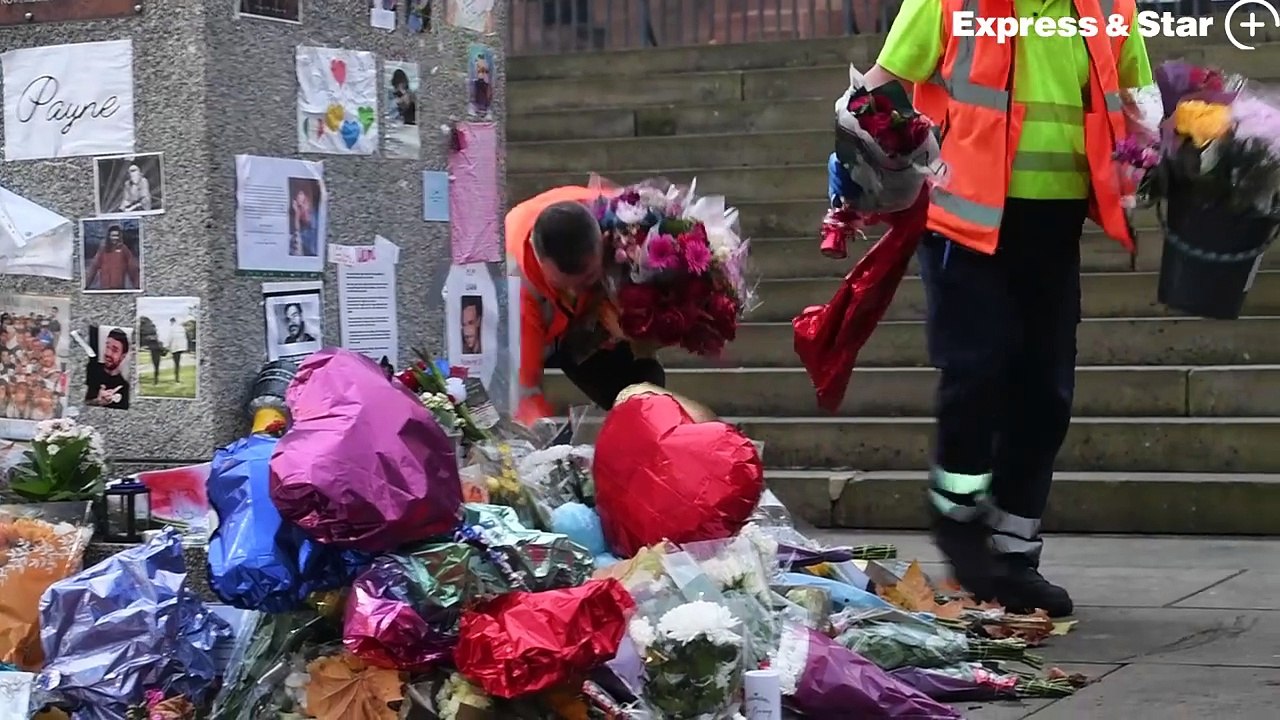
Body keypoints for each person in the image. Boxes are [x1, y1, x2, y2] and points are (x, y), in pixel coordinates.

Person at [864, 0, 1151, 617]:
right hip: (963, 226)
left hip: (1055, 225)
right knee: (976, 374)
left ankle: (1016, 554)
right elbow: (878, 90)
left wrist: (1186, 159)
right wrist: (866, 155)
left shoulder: (1110, 8)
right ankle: (959, 519)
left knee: (1046, 394)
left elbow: (1137, 105)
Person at [506, 186, 666, 426]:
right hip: (551, 325)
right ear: (542, 264)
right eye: (564, 285)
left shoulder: (621, 218)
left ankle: (650, 435)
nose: (574, 291)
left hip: (597, 305)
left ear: (603, 241)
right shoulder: (516, 289)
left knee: (641, 388)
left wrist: (635, 328)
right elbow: (524, 391)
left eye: (586, 280)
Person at [84, 224, 141, 291]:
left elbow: (132, 268)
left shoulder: (124, 249)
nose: (115, 238)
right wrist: (86, 284)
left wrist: (137, 285)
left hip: (119, 287)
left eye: (117, 236)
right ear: (109, 236)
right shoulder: (103, 249)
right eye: (113, 236)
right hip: (105, 287)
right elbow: (93, 267)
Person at [85, 328, 131, 409]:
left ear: (123, 356)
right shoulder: (91, 369)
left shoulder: (124, 388)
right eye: (107, 347)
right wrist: (97, 402)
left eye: (114, 350)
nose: (108, 353)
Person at [289, 184, 319, 257]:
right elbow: (297, 231)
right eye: (297, 195)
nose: (298, 197)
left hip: (312, 247)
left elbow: (310, 224)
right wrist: (297, 213)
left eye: (300, 194)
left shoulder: (313, 213)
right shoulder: (297, 212)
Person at [166, 317, 191, 382]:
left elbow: (169, 338)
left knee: (176, 362)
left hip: (175, 347)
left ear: (171, 322)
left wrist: (167, 346)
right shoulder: (181, 328)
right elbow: (185, 337)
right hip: (181, 347)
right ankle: (177, 377)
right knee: (177, 362)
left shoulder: (171, 328)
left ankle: (176, 378)